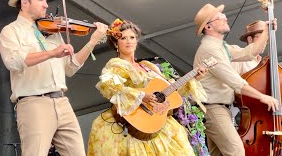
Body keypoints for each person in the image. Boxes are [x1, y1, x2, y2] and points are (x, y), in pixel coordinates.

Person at [0, 0, 108, 156]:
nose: (46, 5)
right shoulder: (11, 31)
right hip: (33, 103)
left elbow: (70, 68)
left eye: (46, 0)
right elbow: (13, 62)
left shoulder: (52, 31)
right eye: (41, 0)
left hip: (62, 101)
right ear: (25, 2)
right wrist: (51, 53)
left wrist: (92, 42)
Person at [87, 19, 208, 156]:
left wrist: (193, 78)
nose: (129, 41)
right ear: (116, 43)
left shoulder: (147, 66)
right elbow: (110, 87)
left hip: (157, 121)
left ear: (137, 41)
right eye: (123, 38)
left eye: (132, 37)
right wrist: (142, 96)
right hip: (130, 121)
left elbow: (169, 92)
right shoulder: (116, 64)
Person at [192, 3, 279, 156]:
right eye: (219, 17)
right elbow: (234, 81)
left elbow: (249, 52)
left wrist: (266, 31)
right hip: (212, 108)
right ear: (208, 27)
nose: (225, 18)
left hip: (217, 107)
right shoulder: (210, 49)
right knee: (236, 151)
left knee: (219, 154)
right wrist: (262, 96)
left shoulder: (221, 46)